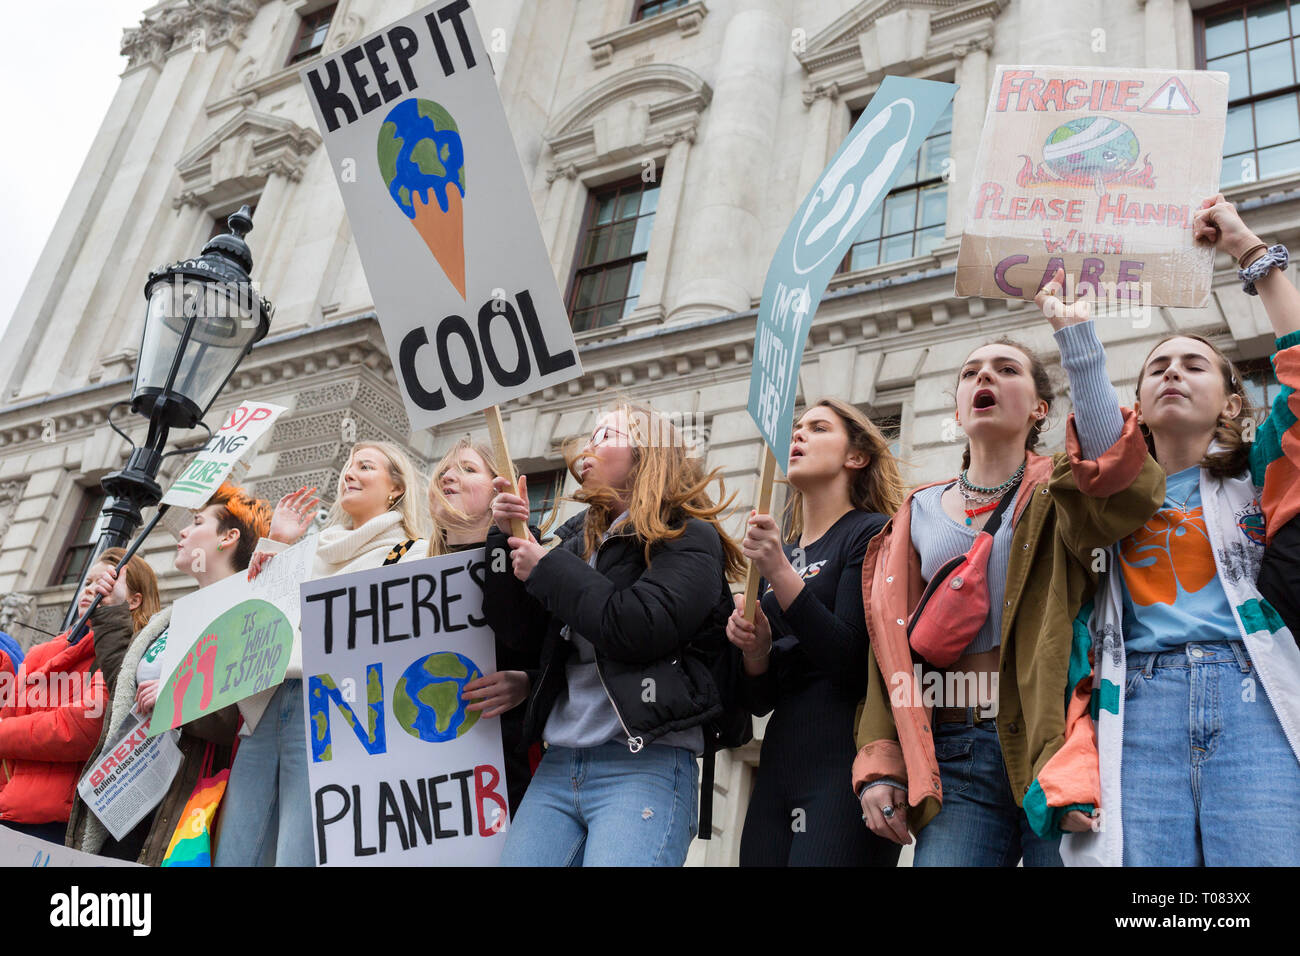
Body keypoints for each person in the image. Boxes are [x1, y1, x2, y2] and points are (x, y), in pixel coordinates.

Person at [854, 273, 1165, 866]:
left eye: (1006, 369)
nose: (985, 378)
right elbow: (886, 651)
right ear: (957, 405)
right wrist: (878, 764)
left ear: (1040, 408)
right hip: (952, 753)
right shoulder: (914, 510)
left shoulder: (1062, 489)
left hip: (1053, 744)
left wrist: (1076, 339)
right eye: (971, 372)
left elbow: (1120, 477)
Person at [1063, 195, 1300, 866]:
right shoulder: (1102, 495)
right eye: (1158, 366)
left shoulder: (1259, 477)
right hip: (1136, 702)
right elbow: (1093, 432)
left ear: (1232, 401)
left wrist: (1250, 251)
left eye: (1194, 364)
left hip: (1254, 694)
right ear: (1136, 403)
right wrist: (1075, 333)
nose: (1173, 371)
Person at [484, 402, 744, 866]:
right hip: (560, 762)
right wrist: (503, 540)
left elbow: (639, 626)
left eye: (607, 435)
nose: (589, 446)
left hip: (645, 765)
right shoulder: (570, 540)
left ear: (648, 454)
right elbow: (520, 633)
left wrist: (549, 567)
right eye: (590, 435)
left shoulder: (688, 536)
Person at [216, 441, 427, 866]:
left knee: (298, 854)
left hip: (334, 712)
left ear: (396, 489)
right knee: (235, 855)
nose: (350, 473)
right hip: (267, 706)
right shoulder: (308, 550)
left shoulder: (411, 552)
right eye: (348, 465)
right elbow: (259, 625)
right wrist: (277, 546)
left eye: (365, 466)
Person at [725, 398, 904, 866]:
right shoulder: (775, 554)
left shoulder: (872, 533)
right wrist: (756, 651)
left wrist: (781, 573)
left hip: (843, 767)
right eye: (795, 428)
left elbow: (849, 661)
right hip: (779, 764)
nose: (798, 435)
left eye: (817, 428)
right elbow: (759, 698)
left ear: (856, 457)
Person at [67, 483, 272, 864]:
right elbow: (126, 691)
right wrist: (112, 611)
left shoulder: (248, 614)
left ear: (229, 537)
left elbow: (238, 717)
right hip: (127, 794)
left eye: (196, 522)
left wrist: (176, 698)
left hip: (179, 803)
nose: (182, 532)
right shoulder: (170, 619)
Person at [0, 549, 159, 843]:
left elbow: (82, 728)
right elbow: (11, 714)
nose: (90, 590)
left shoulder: (129, 654)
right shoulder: (41, 653)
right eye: (87, 583)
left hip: (60, 822)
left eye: (103, 584)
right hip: (10, 808)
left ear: (133, 599)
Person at [425, 439, 539, 816]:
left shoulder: (532, 557)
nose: (450, 478)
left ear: (499, 487)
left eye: (468, 469)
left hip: (507, 767)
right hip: (426, 774)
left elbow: (553, 647)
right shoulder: (403, 569)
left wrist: (528, 681)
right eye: (444, 472)